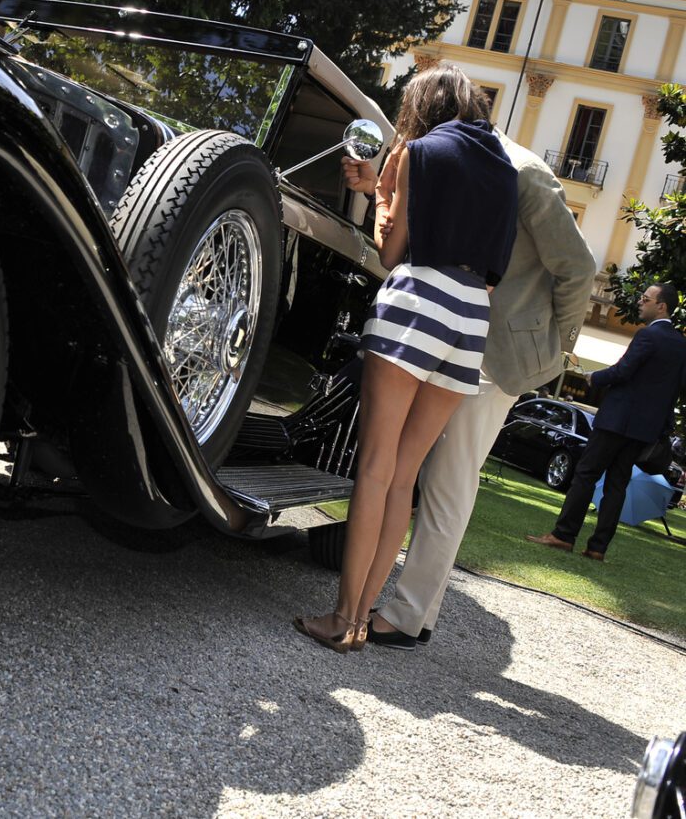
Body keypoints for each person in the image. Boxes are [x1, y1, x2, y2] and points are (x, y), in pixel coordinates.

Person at [341, 126, 596, 650]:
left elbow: (579, 267)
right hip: (459, 332)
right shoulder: (467, 157)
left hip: (497, 351)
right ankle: (413, 609)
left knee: (447, 478)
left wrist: (555, 347)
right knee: (425, 473)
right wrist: (378, 190)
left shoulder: (522, 170)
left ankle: (409, 613)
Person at [294, 64, 520, 653]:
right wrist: (385, 189)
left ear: (420, 106)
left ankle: (342, 619)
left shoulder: (414, 150)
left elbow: (391, 251)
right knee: (404, 476)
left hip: (419, 299)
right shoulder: (501, 168)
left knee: (373, 465)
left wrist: (379, 196)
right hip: (472, 316)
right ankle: (364, 617)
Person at [527, 283, 686, 560]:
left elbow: (623, 371)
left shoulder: (647, 335)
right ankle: (598, 547)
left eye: (645, 299)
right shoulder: (681, 345)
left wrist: (593, 378)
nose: (639, 302)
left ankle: (563, 535)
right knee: (617, 485)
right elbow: (675, 391)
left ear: (661, 306)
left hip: (616, 420)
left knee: (586, 474)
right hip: (643, 431)